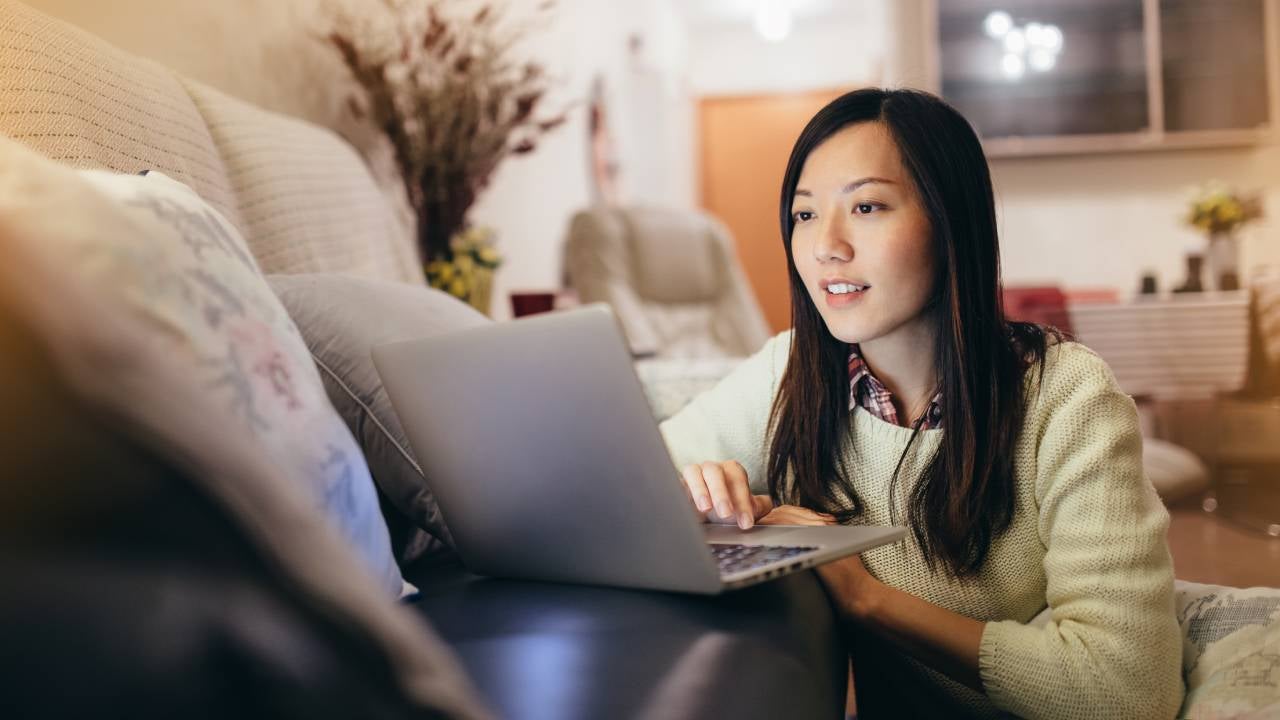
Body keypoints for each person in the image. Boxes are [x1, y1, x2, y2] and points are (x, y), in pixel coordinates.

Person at [660, 88, 1184, 719]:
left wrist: (861, 593)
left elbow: (1127, 692)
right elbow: (625, 485)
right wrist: (699, 496)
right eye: (803, 215)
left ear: (950, 220)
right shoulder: (791, 372)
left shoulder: (1068, 398)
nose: (826, 244)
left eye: (867, 205)